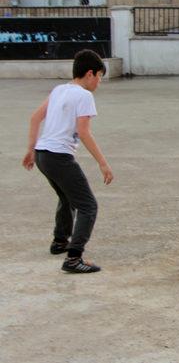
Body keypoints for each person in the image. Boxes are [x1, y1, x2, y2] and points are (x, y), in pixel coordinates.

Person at [22, 49, 113, 273]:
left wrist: (31, 149)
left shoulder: (59, 89)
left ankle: (60, 241)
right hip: (59, 156)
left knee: (66, 196)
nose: (99, 82)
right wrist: (103, 163)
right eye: (99, 76)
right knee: (88, 206)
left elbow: (35, 117)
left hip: (43, 155)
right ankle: (74, 258)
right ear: (90, 74)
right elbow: (84, 132)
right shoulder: (84, 96)